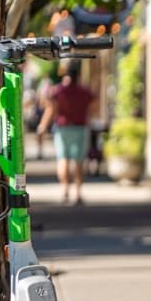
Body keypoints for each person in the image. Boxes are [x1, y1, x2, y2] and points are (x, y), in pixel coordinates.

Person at [38, 61, 95, 204]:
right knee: (79, 161)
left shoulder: (58, 91)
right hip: (80, 127)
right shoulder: (84, 91)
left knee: (63, 159)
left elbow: (50, 108)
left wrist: (43, 125)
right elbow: (93, 105)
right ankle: (78, 193)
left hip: (63, 128)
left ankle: (65, 190)